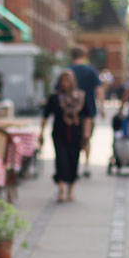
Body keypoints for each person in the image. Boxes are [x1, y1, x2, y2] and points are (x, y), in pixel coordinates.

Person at [39, 69, 93, 202]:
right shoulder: (55, 97)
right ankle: (62, 189)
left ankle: (71, 189)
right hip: (59, 133)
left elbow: (87, 116)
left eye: (68, 80)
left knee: (73, 160)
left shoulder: (81, 96)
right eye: (63, 80)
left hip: (76, 134)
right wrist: (41, 133)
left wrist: (87, 133)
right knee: (61, 160)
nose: (65, 83)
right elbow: (45, 116)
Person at [69, 46, 103, 177]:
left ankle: (75, 165)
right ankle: (87, 165)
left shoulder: (68, 71)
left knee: (73, 138)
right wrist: (102, 107)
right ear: (84, 55)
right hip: (88, 108)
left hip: (71, 110)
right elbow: (99, 90)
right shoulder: (90, 70)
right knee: (87, 137)